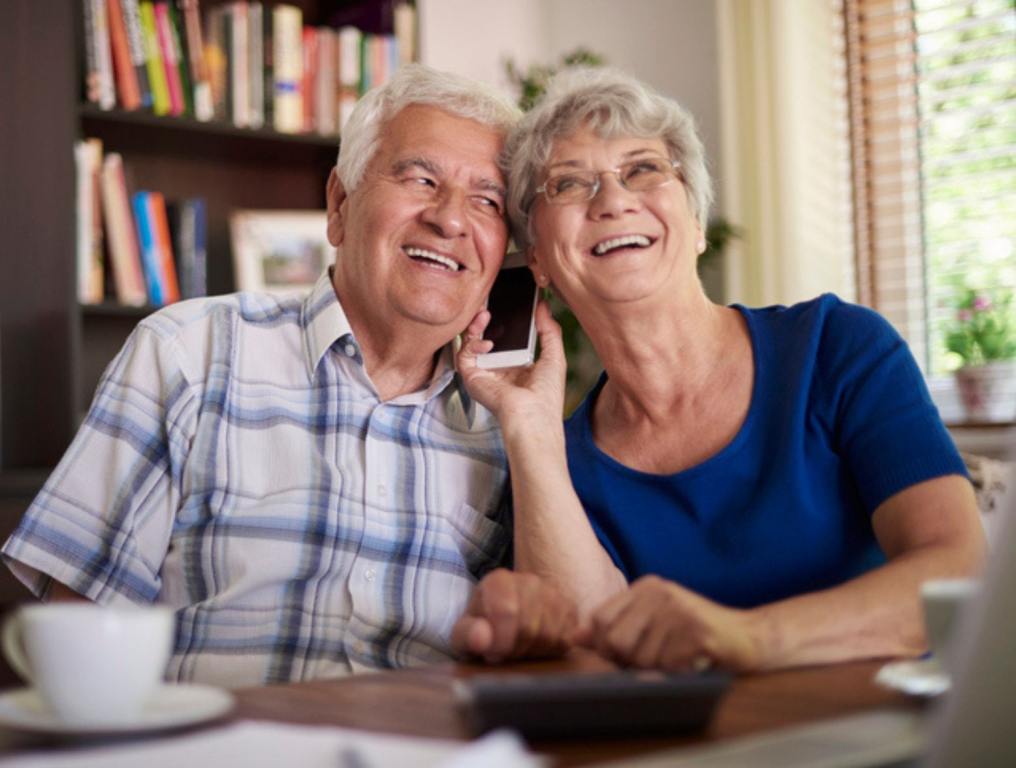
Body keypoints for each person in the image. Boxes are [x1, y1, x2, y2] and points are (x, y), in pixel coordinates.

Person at [1, 65, 572, 687]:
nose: (450, 219)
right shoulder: (187, 353)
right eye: (420, 177)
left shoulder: (507, 416)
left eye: (487, 201)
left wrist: (531, 430)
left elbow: (564, 654)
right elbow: (79, 634)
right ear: (339, 205)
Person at [458, 67, 987, 672]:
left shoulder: (838, 348)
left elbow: (957, 571)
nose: (613, 200)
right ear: (539, 262)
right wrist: (529, 429)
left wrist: (748, 638)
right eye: (569, 185)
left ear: (697, 221)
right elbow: (585, 652)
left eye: (643, 169)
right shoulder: (561, 465)